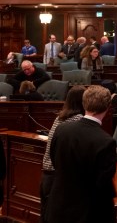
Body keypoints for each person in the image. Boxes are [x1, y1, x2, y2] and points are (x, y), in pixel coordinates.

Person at [45, 85, 116, 223]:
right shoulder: (106, 142)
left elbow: (54, 161)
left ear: (84, 104)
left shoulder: (62, 129)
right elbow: (103, 184)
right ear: (107, 107)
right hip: (86, 213)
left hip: (57, 207)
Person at [40, 86, 86, 223]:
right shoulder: (78, 120)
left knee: (45, 216)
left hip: (47, 175)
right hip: (58, 178)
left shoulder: (60, 117)